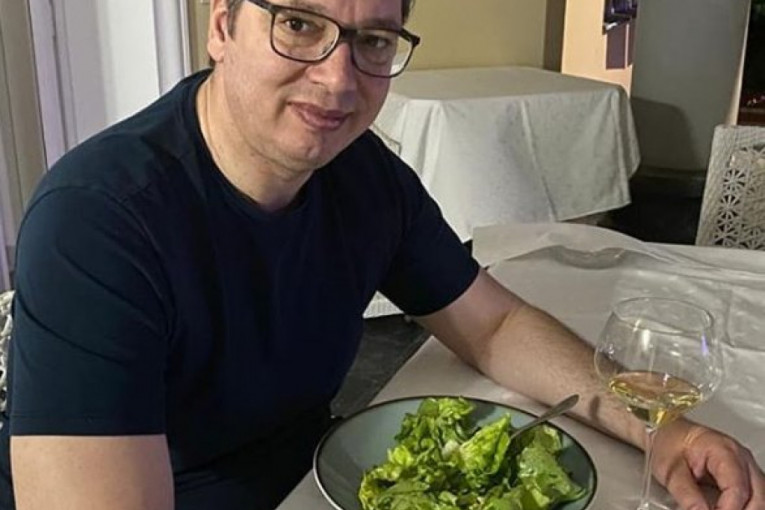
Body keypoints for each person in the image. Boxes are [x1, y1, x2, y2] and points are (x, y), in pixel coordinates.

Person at [1, 0, 763, 509]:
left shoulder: (363, 176)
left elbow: (492, 326)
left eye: (371, 40)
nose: (337, 79)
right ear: (223, 26)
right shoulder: (98, 222)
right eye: (298, 23)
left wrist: (666, 432)